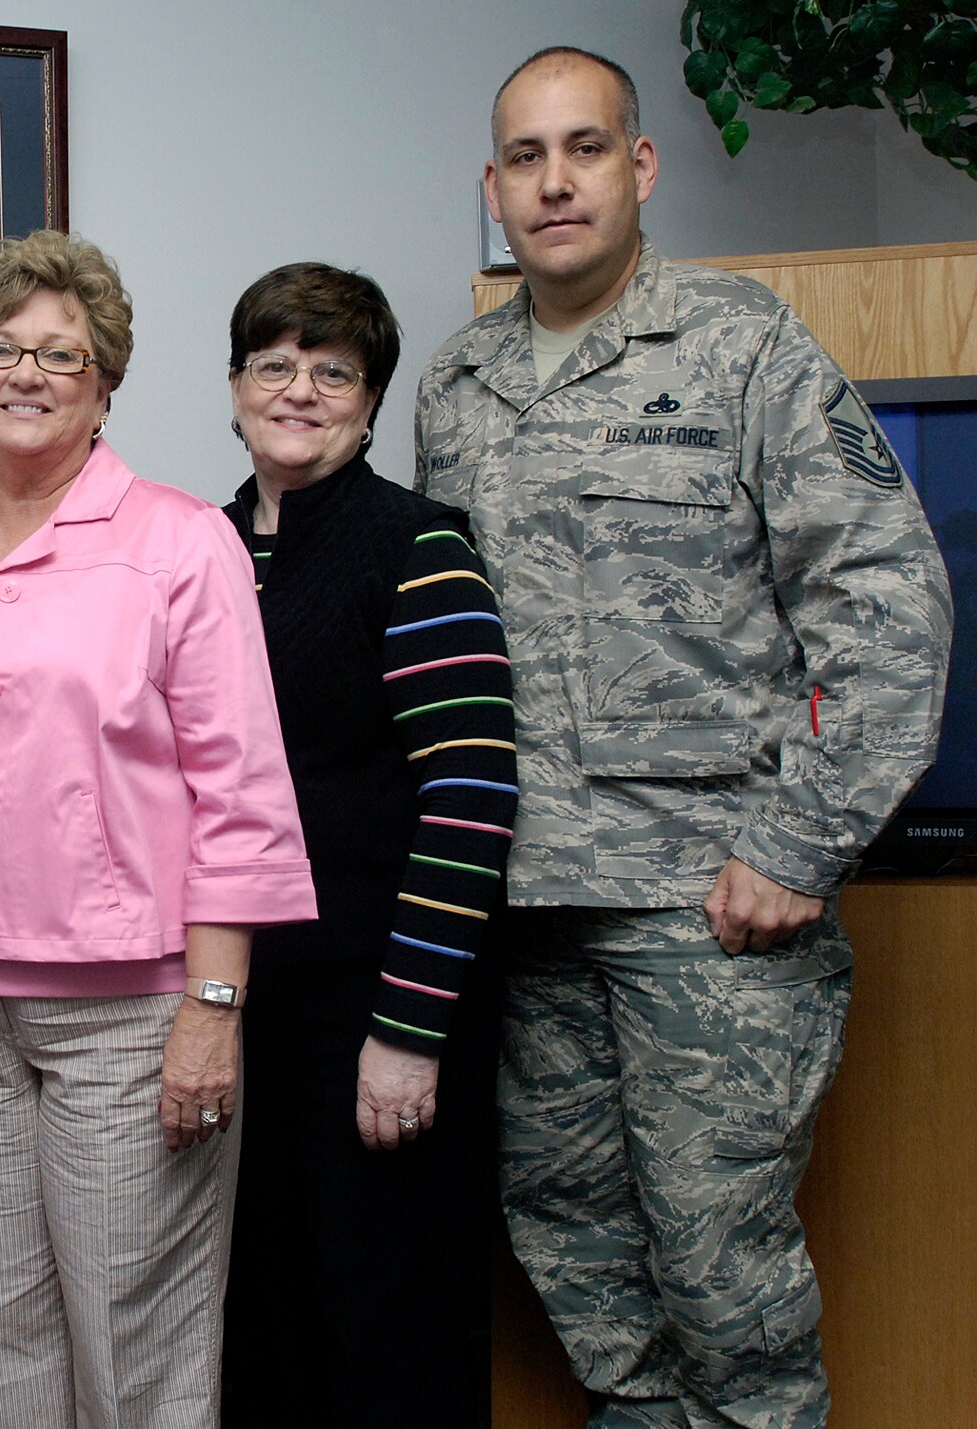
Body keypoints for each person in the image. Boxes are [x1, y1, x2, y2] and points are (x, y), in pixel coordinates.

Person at [414, 47, 952, 1429]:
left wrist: (801, 840)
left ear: (638, 167)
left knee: (725, 1273)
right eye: (526, 157)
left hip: (708, 907)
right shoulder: (457, 384)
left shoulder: (743, 344)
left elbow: (884, 601)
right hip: (525, 909)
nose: (554, 181)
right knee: (571, 1245)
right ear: (495, 188)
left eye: (584, 148)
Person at [0, 230, 317, 1428]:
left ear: (103, 384)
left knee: (138, 1353)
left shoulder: (181, 543)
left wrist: (212, 1008)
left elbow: (240, 791)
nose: (26, 373)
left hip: (131, 1017)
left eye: (61, 355)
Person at [217, 263, 517, 1426]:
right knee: (260, 1315)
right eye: (274, 364)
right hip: (240, 999)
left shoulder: (419, 545)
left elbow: (470, 795)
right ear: (235, 382)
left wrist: (405, 1031)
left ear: (369, 399)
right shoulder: (199, 546)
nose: (298, 390)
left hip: (376, 1008)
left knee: (382, 1324)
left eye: (330, 371)